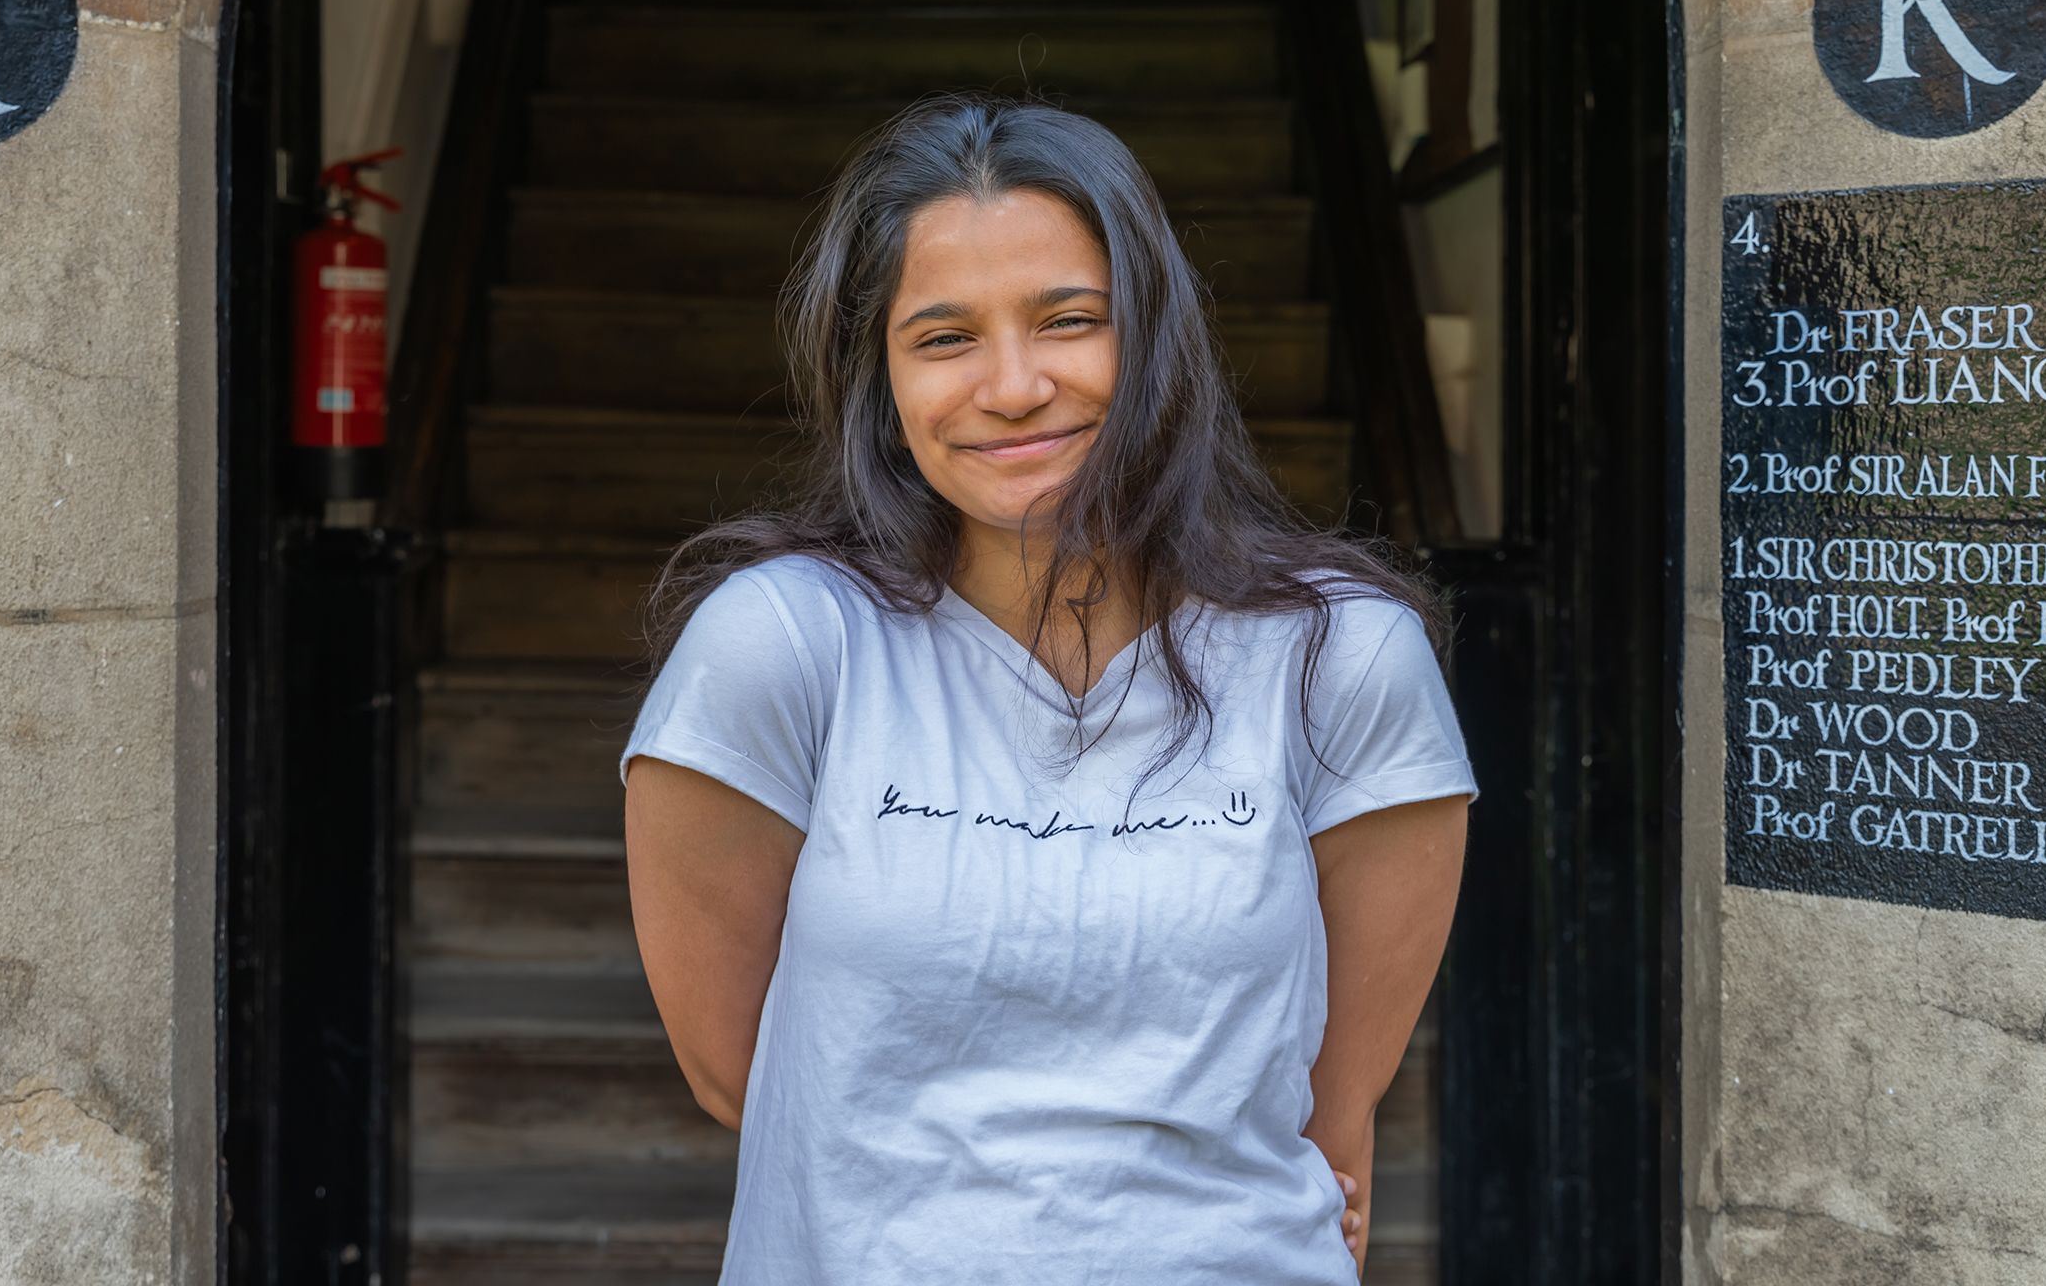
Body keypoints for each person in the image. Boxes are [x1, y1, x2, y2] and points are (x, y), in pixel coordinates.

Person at [619, 91, 1477, 1284]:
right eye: (944, 336)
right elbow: (739, 1074)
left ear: (1156, 337)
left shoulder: (1340, 660)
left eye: (1068, 319)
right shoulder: (780, 647)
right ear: (881, 378)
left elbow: (1327, 1117)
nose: (1013, 386)